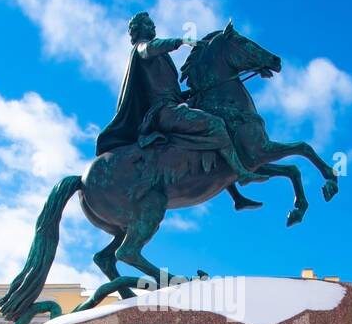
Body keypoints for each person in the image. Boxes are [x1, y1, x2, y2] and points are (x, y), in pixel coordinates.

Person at [97, 12, 268, 194]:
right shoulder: (142, 48)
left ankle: (234, 194)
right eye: (149, 24)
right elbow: (149, 49)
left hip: (173, 106)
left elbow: (171, 92)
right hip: (163, 112)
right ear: (139, 30)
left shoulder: (160, 57)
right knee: (216, 125)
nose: (153, 27)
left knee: (214, 120)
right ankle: (241, 173)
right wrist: (180, 41)